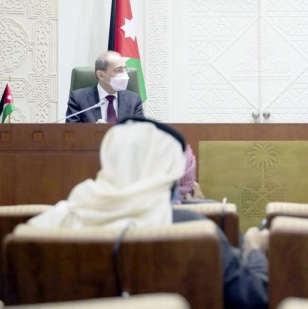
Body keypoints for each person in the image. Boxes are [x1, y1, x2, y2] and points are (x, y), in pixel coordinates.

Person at [27, 117, 269, 309]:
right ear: (169, 170)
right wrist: (254, 249)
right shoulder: (192, 230)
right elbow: (257, 297)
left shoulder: (48, 223)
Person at [65, 51, 143, 123]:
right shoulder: (78, 98)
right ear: (101, 75)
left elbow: (140, 132)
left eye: (125, 69)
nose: (125, 74)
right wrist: (93, 131)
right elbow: (71, 133)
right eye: (119, 70)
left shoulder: (134, 100)